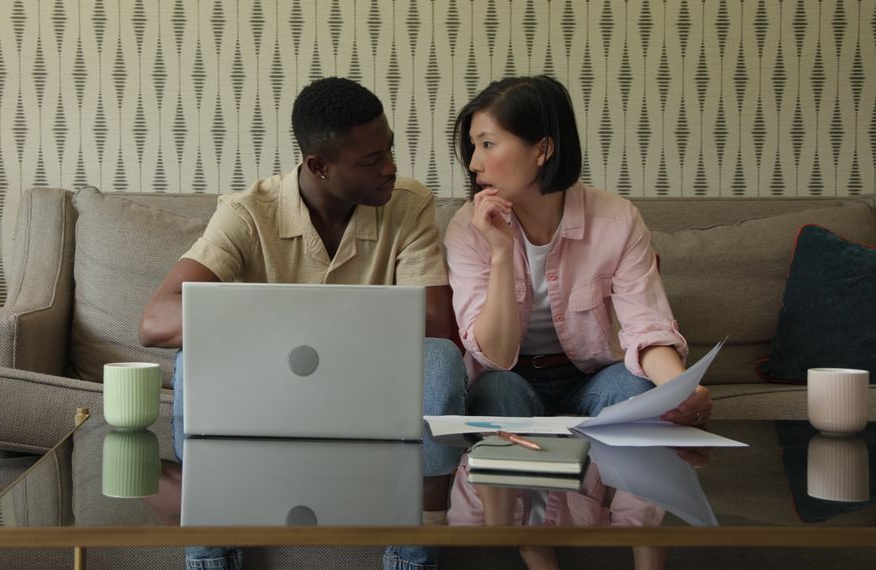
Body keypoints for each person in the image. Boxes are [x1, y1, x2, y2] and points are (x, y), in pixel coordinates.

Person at [140, 77, 466, 570]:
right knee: (193, 359)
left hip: (371, 398)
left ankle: (411, 558)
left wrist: (273, 321)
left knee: (440, 361)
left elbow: (437, 325)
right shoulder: (247, 212)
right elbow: (156, 320)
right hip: (268, 397)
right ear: (320, 166)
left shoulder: (409, 202)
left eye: (390, 151)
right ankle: (210, 556)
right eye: (372, 159)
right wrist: (294, 331)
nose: (391, 168)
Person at [444, 74, 712, 425]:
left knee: (633, 388)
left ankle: (607, 481)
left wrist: (680, 390)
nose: (474, 163)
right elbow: (495, 356)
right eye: (473, 146)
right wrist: (500, 254)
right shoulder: (468, 228)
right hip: (510, 377)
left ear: (542, 149)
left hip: (593, 375)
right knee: (496, 394)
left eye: (488, 144)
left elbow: (645, 327)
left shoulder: (617, 220)